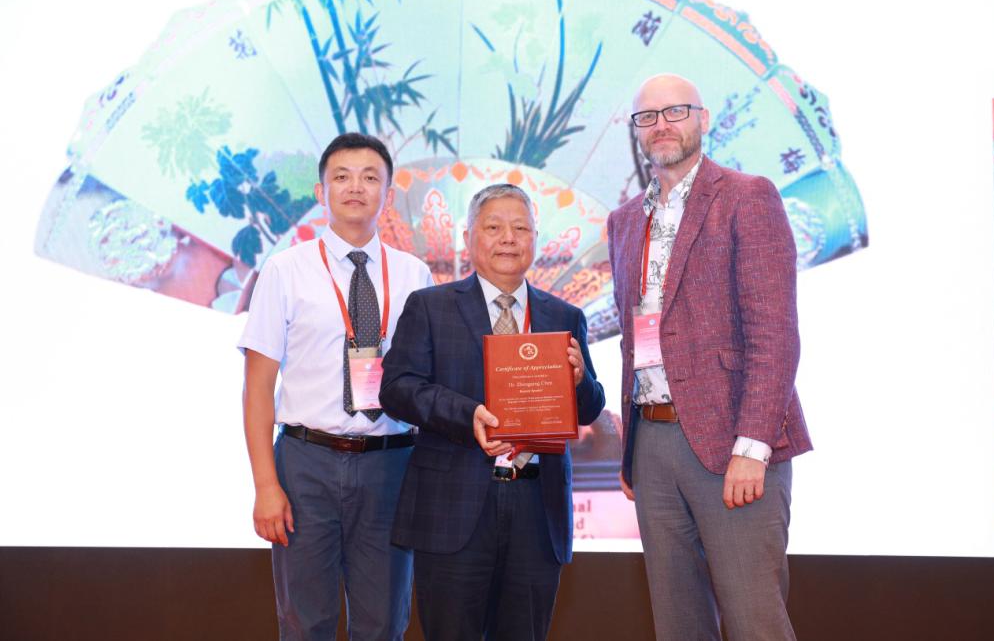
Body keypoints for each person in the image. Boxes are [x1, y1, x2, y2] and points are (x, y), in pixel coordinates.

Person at [606, 74, 813, 640]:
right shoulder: (624, 221)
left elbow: (774, 334)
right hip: (652, 444)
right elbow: (632, 338)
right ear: (636, 131)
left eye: (675, 111)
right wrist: (632, 452)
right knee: (679, 625)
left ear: (703, 118)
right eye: (647, 117)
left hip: (733, 443)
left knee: (753, 622)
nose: (661, 125)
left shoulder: (747, 196)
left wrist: (753, 446)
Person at [379, 183, 605, 641]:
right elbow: (398, 389)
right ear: (469, 238)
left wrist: (581, 380)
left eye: (520, 228)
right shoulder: (430, 306)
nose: (508, 238)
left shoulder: (564, 315)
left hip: (536, 509)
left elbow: (588, 409)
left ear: (535, 239)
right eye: (494, 227)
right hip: (453, 506)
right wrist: (468, 416)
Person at [238, 133, 433, 641]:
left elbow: (429, 381)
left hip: (392, 464)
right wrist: (265, 486)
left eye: (370, 178)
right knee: (305, 623)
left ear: (388, 194)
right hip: (306, 465)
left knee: (384, 623)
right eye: (342, 177)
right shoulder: (284, 270)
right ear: (321, 191)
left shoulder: (415, 275)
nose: (355, 187)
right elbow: (257, 388)